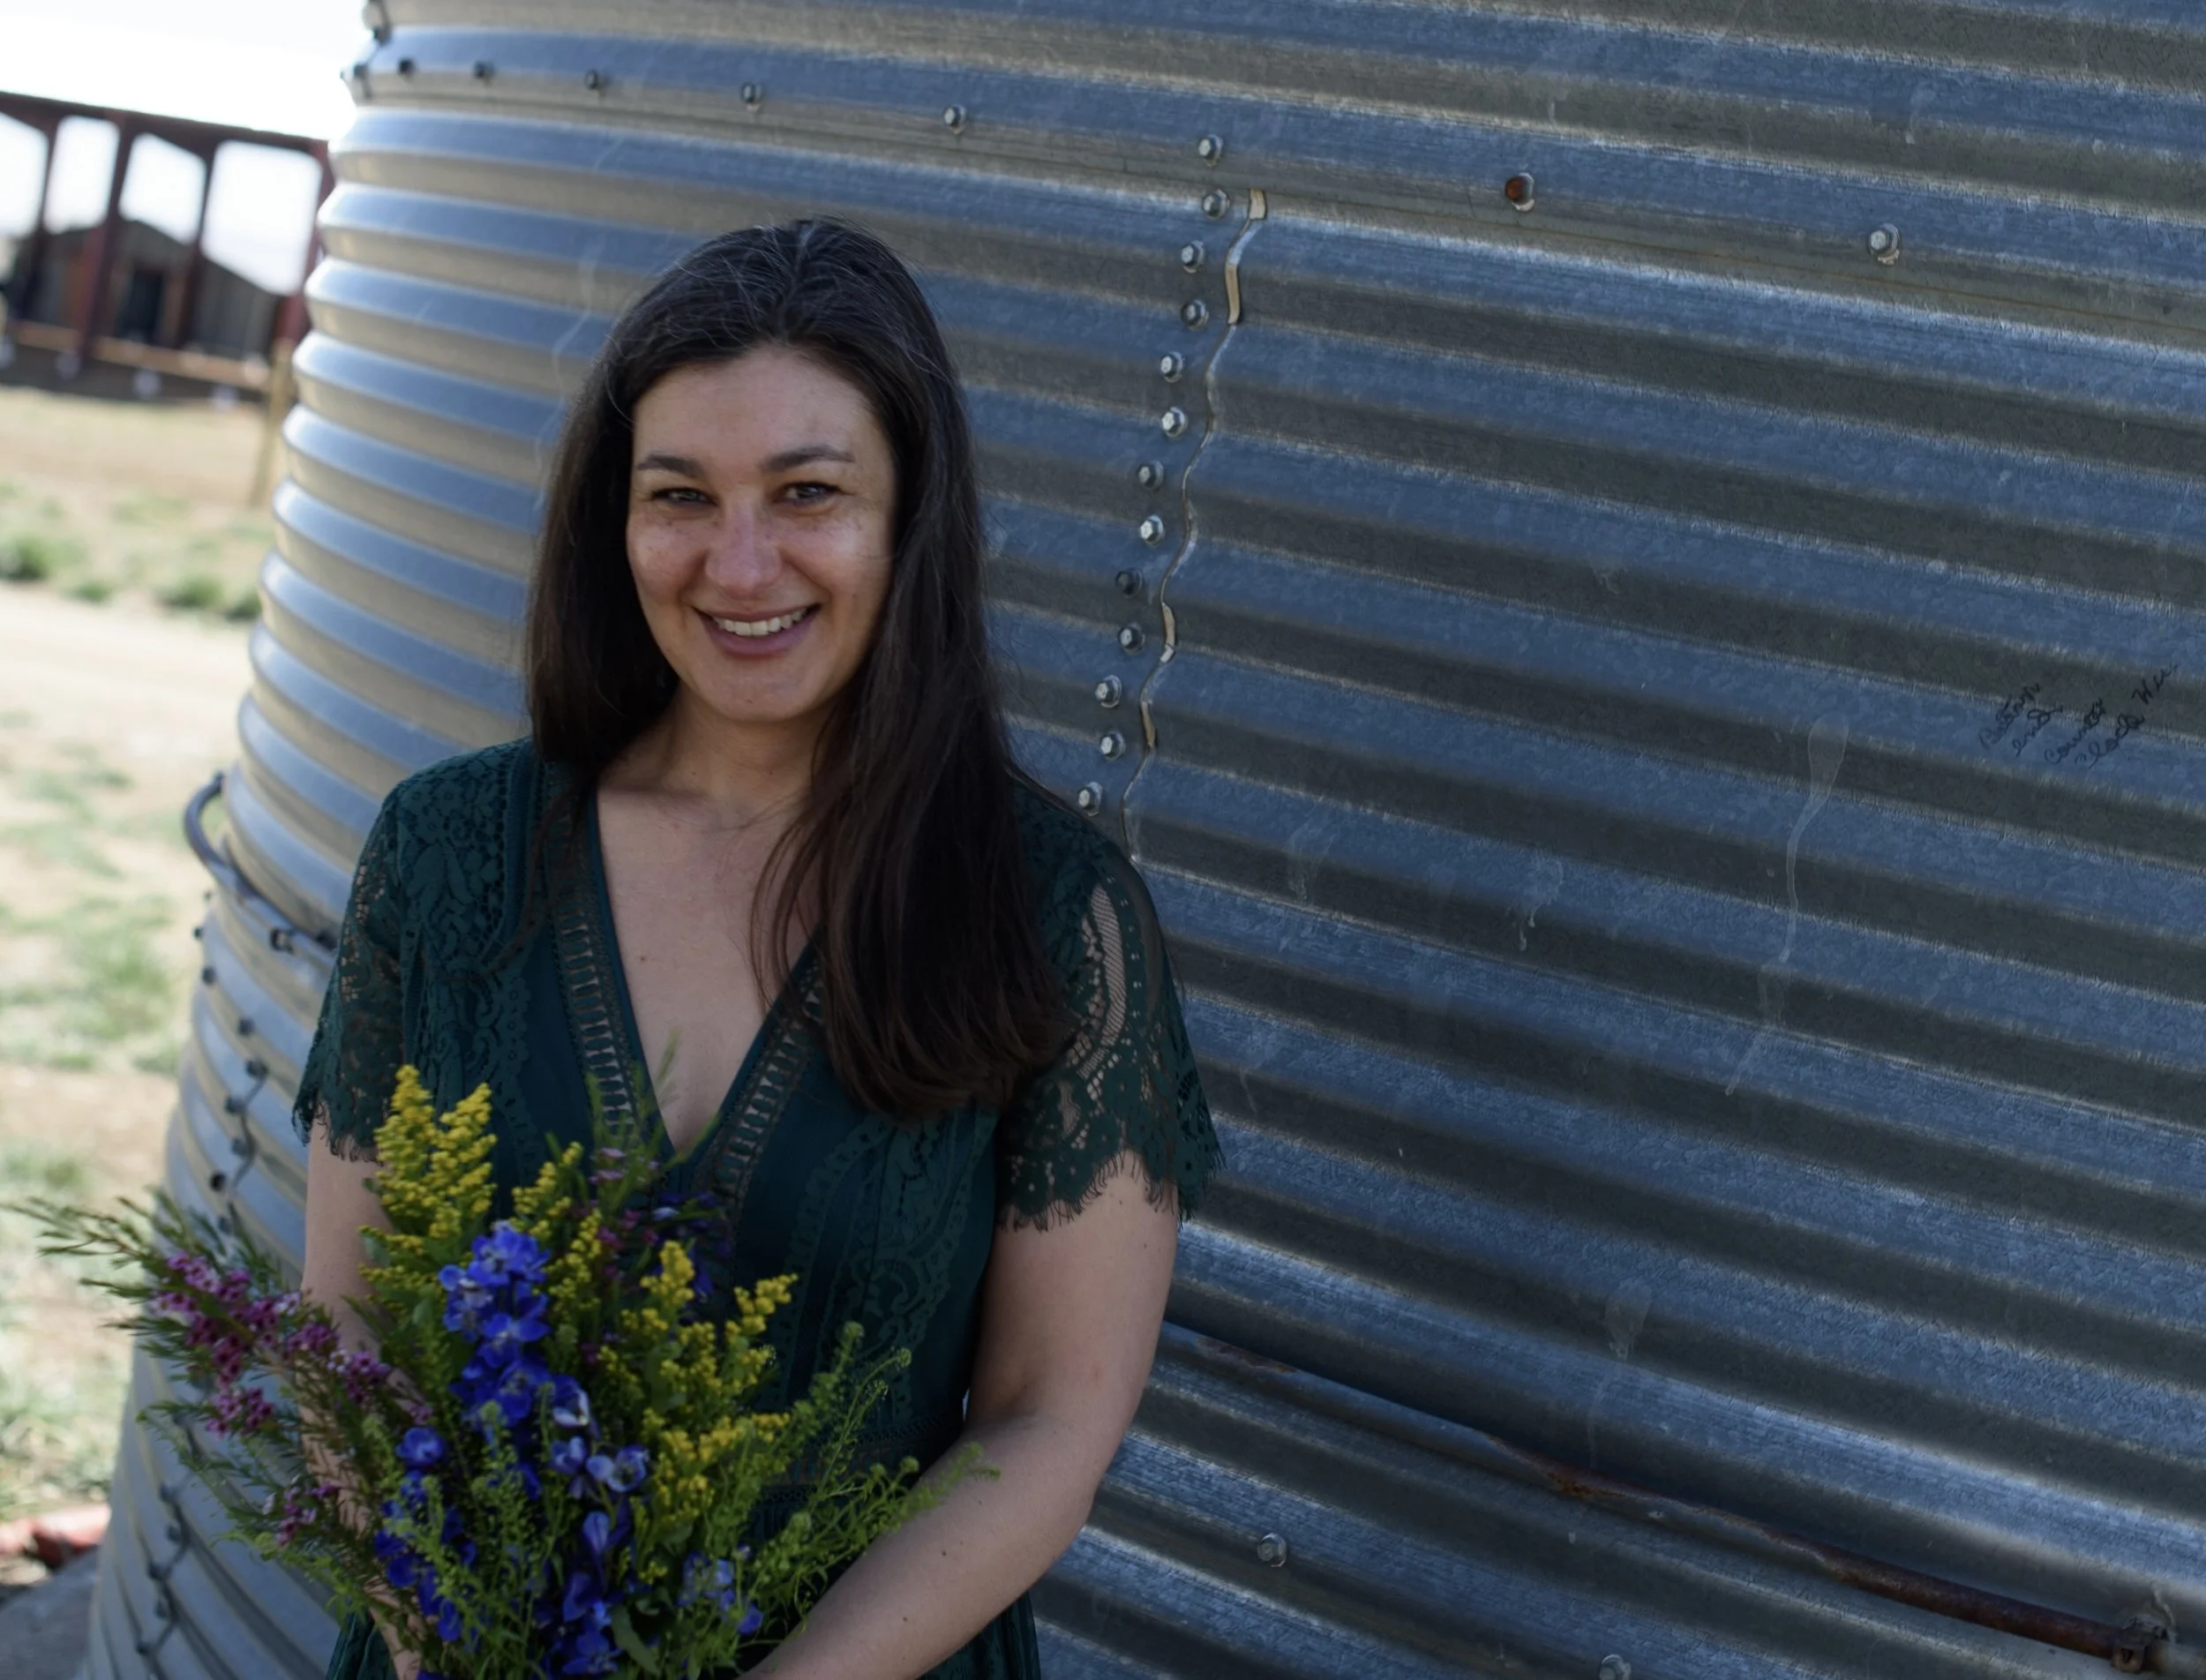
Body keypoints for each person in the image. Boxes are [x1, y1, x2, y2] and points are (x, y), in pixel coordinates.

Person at [295, 219, 1220, 1680]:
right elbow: (351, 1331)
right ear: (617, 522)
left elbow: (1051, 1417)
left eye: (808, 492)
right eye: (681, 496)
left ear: (909, 515)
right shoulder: (448, 854)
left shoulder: (1053, 916)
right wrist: (446, 1643)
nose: (739, 563)